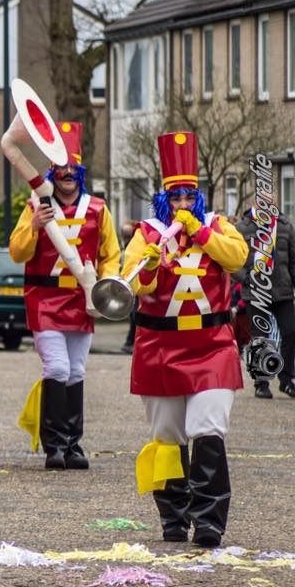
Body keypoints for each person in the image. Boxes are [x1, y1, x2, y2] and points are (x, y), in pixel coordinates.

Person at [123, 131, 247, 548]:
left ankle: (209, 521)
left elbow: (238, 257)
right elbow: (133, 285)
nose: (182, 204)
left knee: (207, 427)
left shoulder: (217, 225)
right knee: (168, 436)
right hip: (159, 348)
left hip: (212, 345)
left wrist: (201, 232)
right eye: (175, 196)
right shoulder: (146, 232)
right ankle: (173, 518)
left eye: (189, 196)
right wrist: (152, 260)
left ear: (200, 197)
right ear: (164, 197)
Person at [10, 121, 121, 470]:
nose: (67, 174)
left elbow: (111, 255)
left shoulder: (99, 209)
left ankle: (73, 444)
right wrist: (35, 227)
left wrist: (107, 286)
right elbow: (17, 252)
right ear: (52, 173)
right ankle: (53, 444)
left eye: (73, 168)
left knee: (75, 371)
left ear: (81, 172)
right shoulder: (35, 206)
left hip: (82, 300)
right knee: (56, 366)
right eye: (61, 169)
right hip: (44, 299)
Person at [233, 202, 295, 399]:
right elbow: (232, 261)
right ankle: (261, 383)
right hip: (255, 291)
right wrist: (246, 279)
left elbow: (293, 260)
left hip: (282, 290)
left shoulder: (285, 225)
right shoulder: (241, 228)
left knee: (290, 331)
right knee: (261, 337)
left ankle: (286, 380)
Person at [120, 220, 139, 354]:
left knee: (135, 316)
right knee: (134, 316)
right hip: (131, 288)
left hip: (135, 288)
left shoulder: (133, 246)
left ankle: (130, 342)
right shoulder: (127, 247)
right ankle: (130, 342)